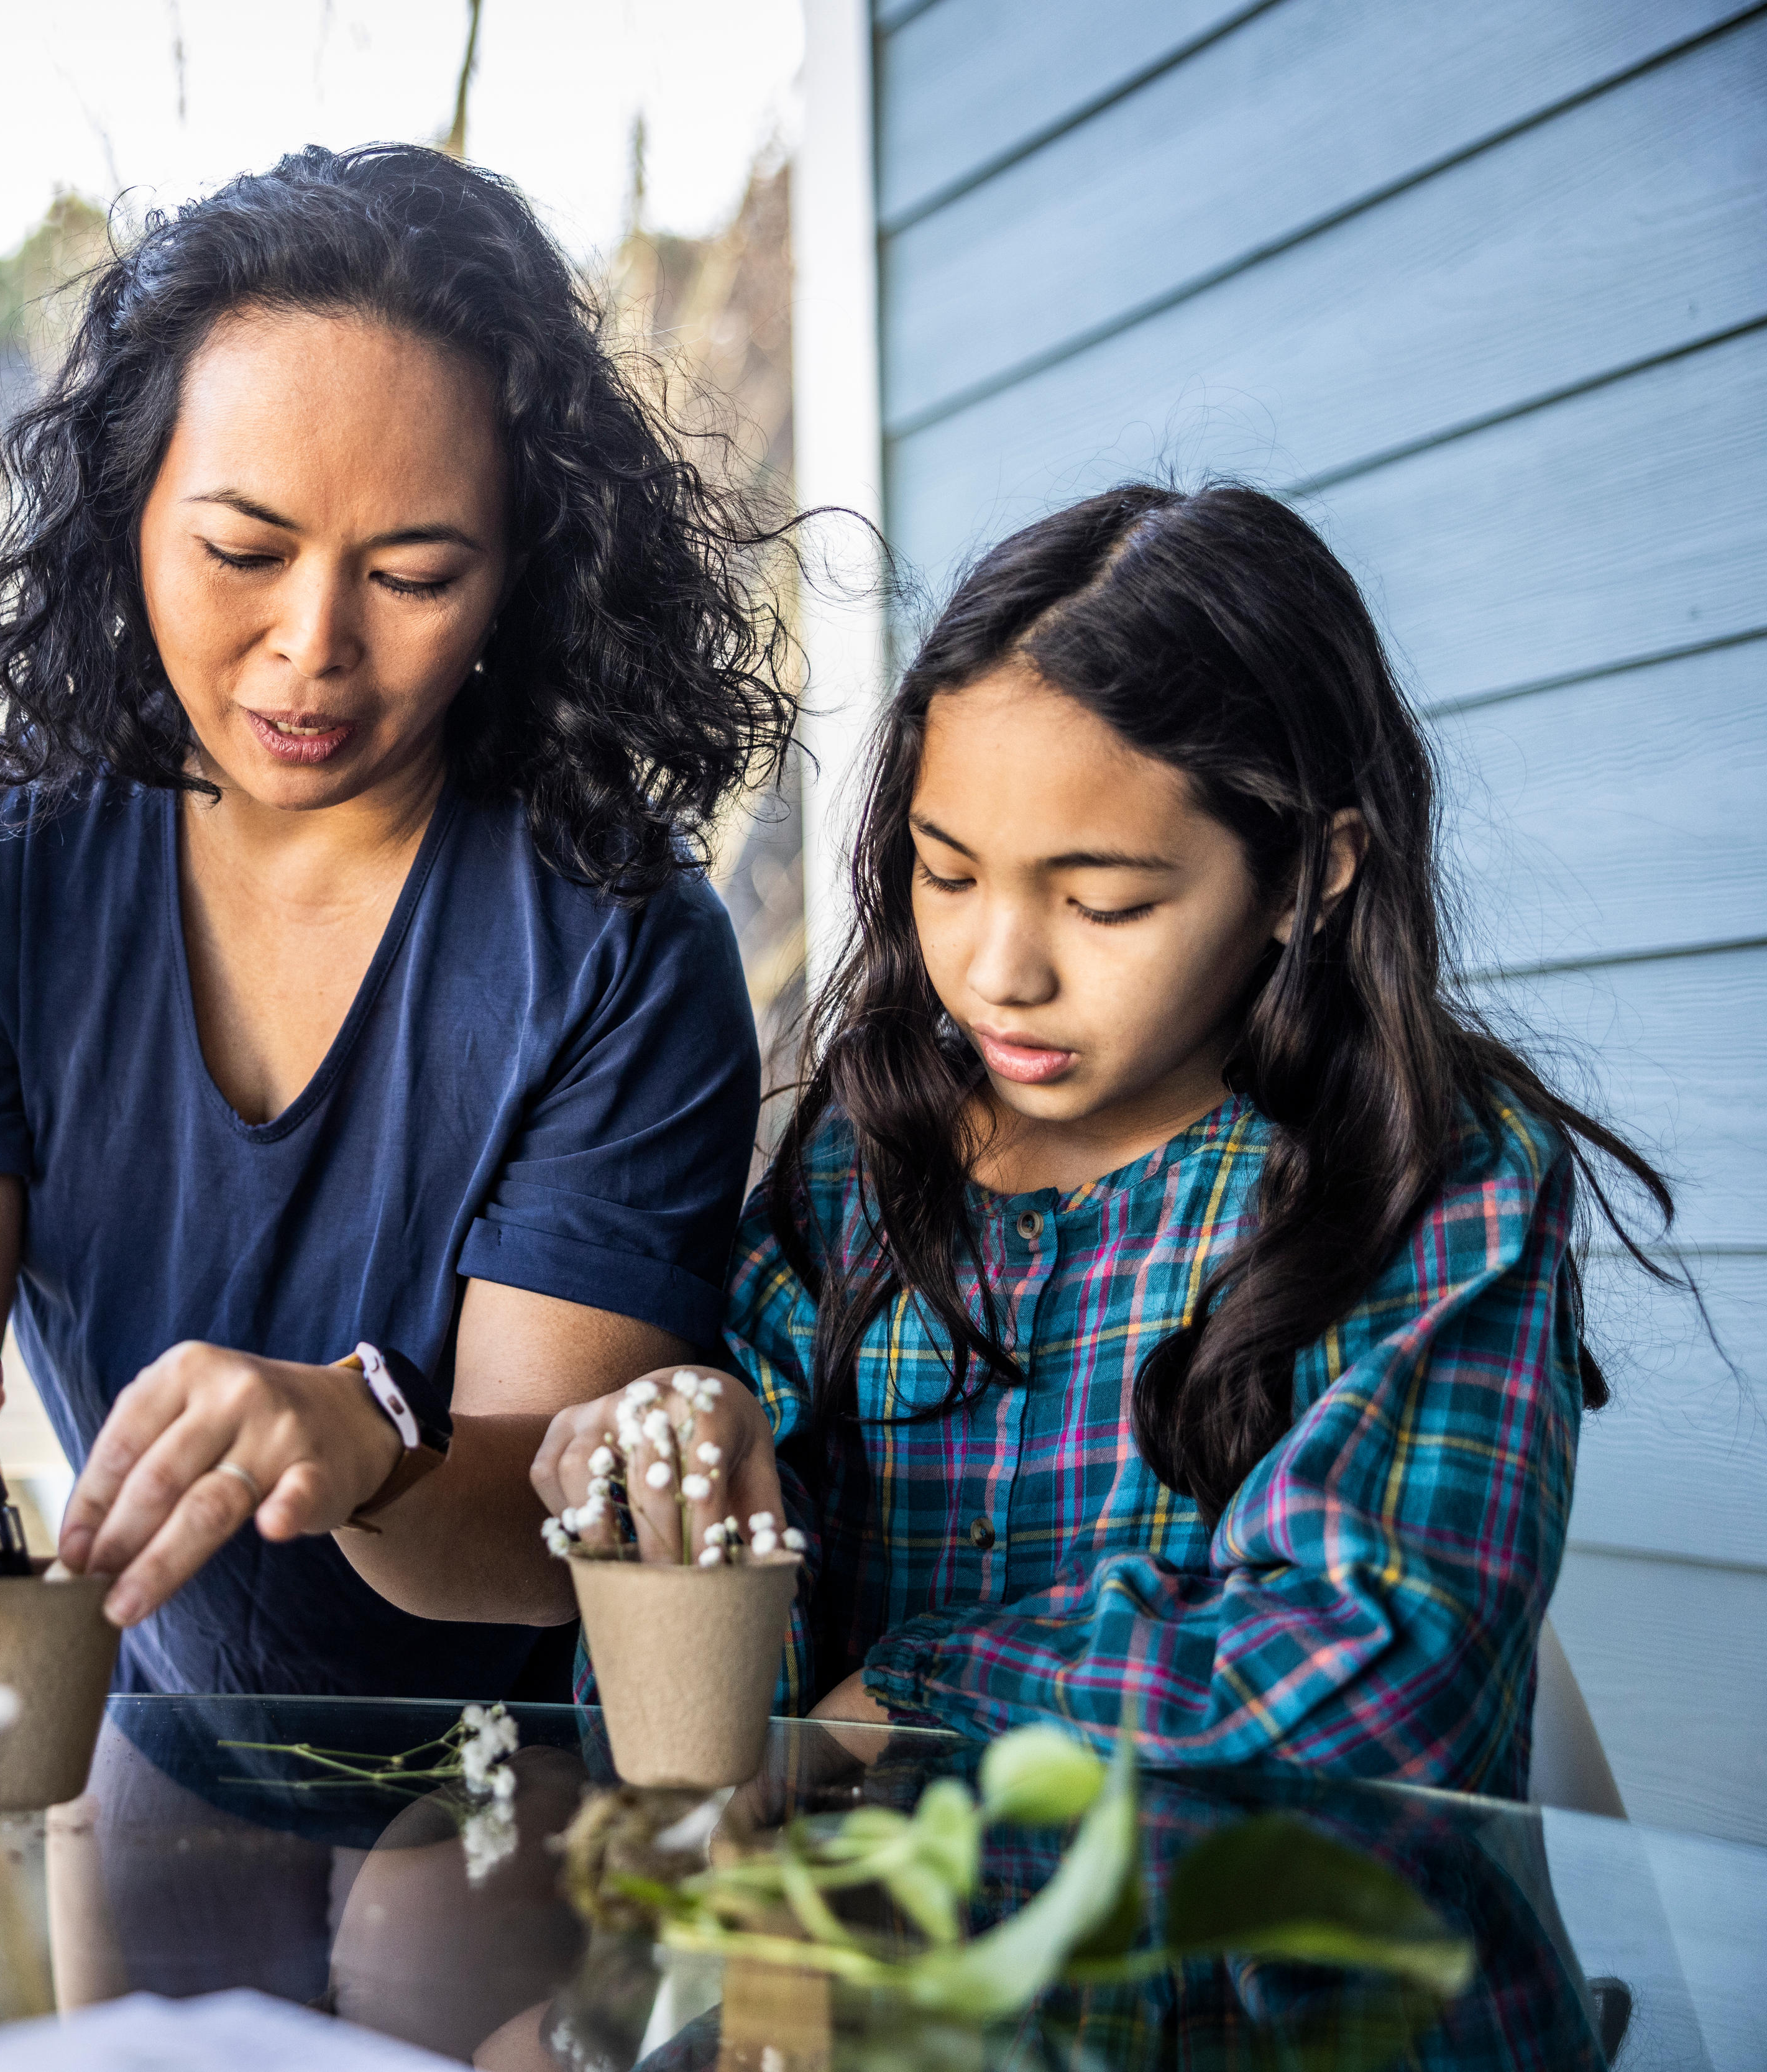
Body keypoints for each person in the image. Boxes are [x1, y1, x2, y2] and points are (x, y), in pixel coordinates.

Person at [0, 141, 794, 1706]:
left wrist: (365, 1441)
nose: (310, 648)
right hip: (137, 1732)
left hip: (512, 1788)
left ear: (522, 573)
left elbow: (553, 1542)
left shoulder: (618, 945)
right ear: (128, 513)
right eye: (242, 552)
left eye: (412, 573)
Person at [536, 484, 1675, 1795]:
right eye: (947, 873)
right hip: (883, 1985)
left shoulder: (1428, 1180)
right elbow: (715, 1764)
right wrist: (691, 1510)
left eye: (1103, 902)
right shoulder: (863, 1165)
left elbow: (1384, 1687)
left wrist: (919, 1690)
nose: (999, 970)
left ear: (1316, 871)